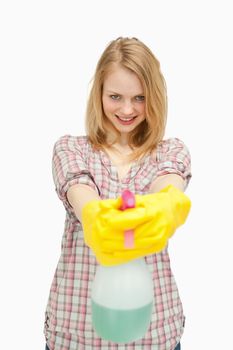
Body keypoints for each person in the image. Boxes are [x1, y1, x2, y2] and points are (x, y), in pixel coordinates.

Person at [44, 37, 191, 350]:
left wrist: (165, 204)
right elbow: (79, 189)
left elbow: (168, 182)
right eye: (115, 96)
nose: (127, 109)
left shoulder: (169, 152)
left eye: (139, 97)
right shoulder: (71, 149)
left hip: (153, 337)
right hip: (76, 336)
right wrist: (94, 214)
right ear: (98, 94)